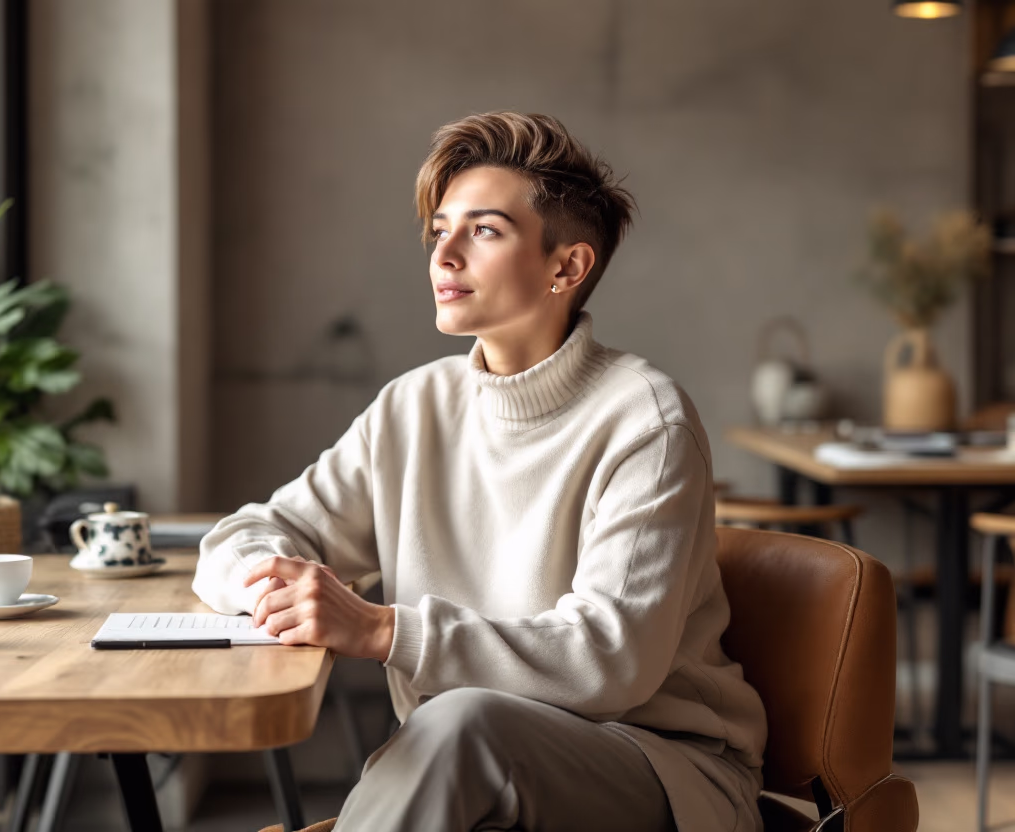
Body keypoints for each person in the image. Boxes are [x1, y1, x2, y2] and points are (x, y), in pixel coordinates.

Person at [194, 111, 767, 832]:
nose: (445, 255)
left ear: (567, 267)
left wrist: (382, 630)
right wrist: (275, 589)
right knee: (457, 730)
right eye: (440, 231)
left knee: (459, 726)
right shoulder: (413, 406)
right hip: (467, 766)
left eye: (484, 231)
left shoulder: (645, 420)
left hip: (662, 768)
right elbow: (248, 534)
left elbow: (609, 660)